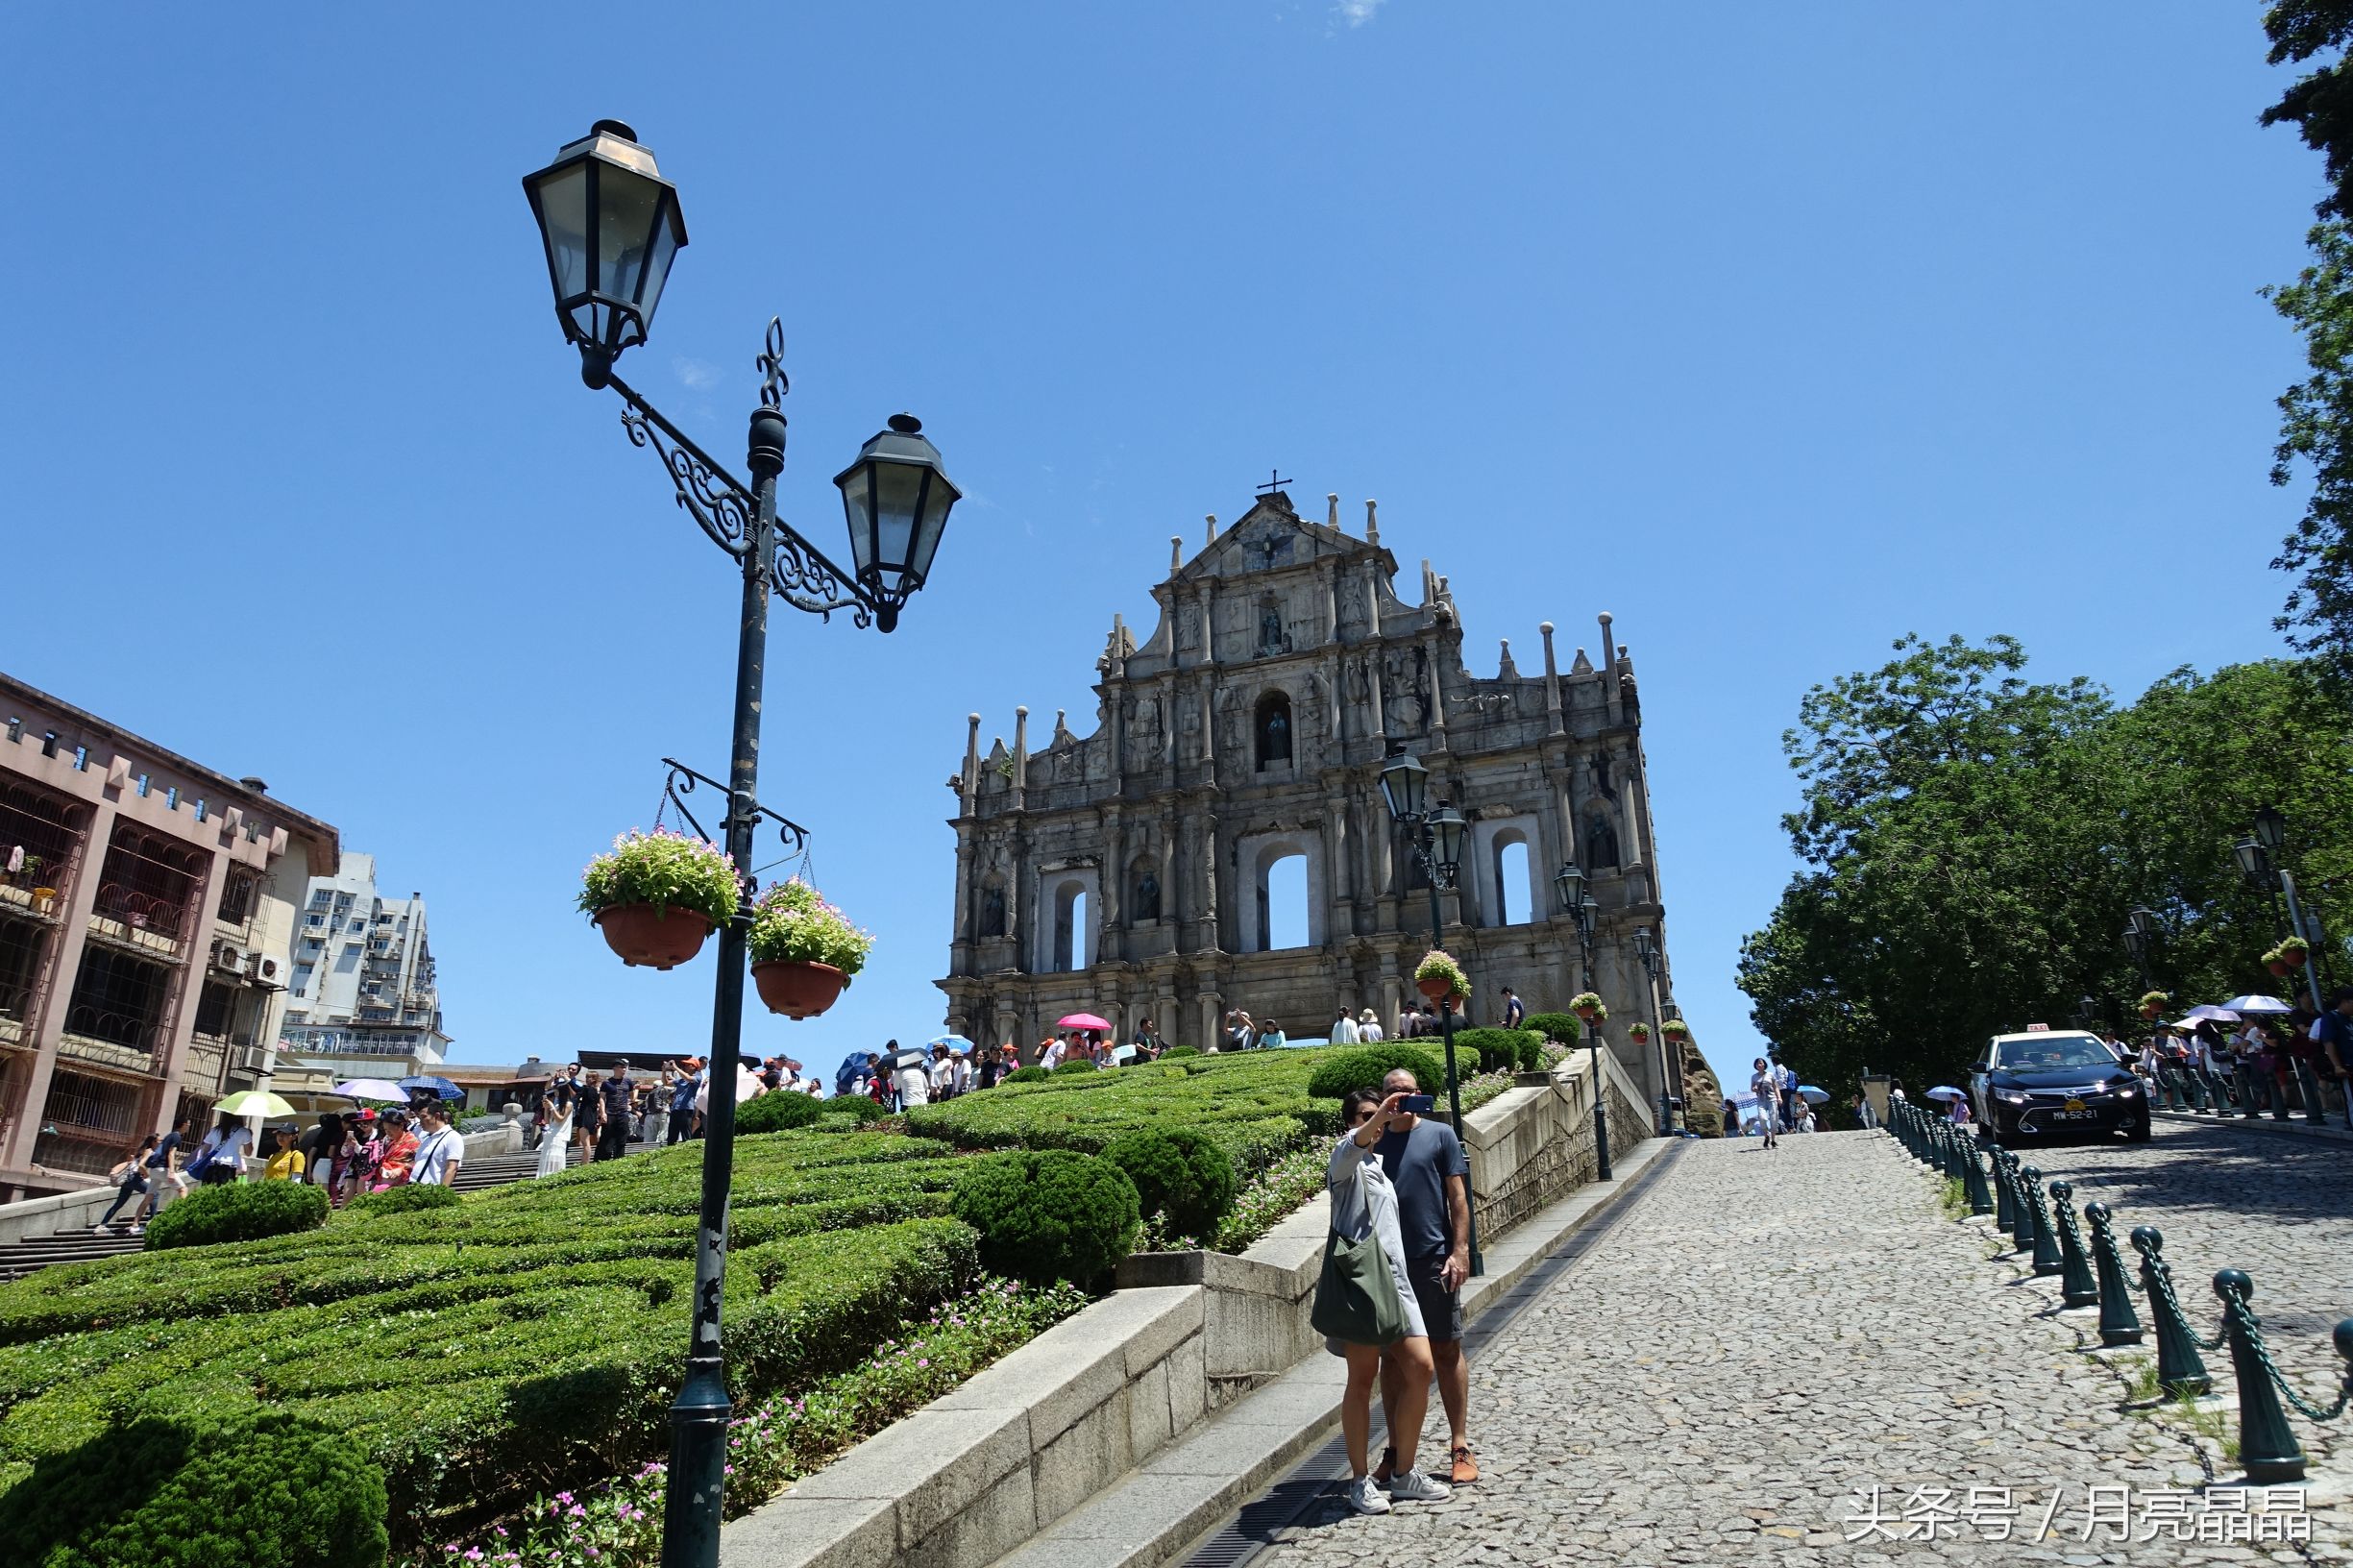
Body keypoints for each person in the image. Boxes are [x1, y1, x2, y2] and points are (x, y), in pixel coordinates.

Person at [1327, 1087, 1450, 1515]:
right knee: (1361, 1381)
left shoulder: (1378, 1165)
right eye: (1361, 1115)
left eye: (1373, 1114)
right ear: (1350, 1121)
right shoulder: (1344, 1158)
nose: (1371, 1122)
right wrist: (1378, 1116)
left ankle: (1403, 1472)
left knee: (1421, 1366)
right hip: (1363, 1283)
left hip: (1395, 1282)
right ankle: (1360, 1481)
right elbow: (1356, 1142)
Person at [1366, 1066, 1478, 1489]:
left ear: (1420, 1094)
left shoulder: (1440, 1135)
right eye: (1393, 1092)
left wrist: (1460, 1250)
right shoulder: (1371, 1141)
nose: (1401, 1098)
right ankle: (1395, 1451)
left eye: (1408, 1092)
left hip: (1433, 1258)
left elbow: (1457, 1196)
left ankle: (1460, 1445)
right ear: (1382, 1097)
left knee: (1447, 1349)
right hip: (1386, 1266)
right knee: (1391, 1359)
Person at [132, 1115, 189, 1227]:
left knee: (148, 1197)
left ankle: (135, 1224)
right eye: (188, 1124)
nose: (189, 1127)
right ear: (183, 1125)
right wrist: (172, 1172)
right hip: (164, 1168)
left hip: (154, 1170)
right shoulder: (177, 1136)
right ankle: (184, 1215)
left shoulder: (169, 1136)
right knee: (183, 1189)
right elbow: (171, 1154)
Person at [95, 1134, 159, 1230]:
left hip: (127, 1179)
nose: (160, 1143)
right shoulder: (148, 1151)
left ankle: (102, 1225)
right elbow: (141, 1166)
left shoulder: (141, 1150)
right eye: (159, 1141)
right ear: (153, 1142)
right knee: (155, 1194)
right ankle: (152, 1221)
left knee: (118, 1204)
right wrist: (146, 1174)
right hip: (135, 1177)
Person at [411, 1102, 466, 1187]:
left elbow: (452, 1169)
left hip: (430, 1189)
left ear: (436, 1116)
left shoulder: (452, 1136)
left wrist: (441, 1193)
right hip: (414, 1186)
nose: (420, 1122)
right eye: (419, 1117)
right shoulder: (427, 1137)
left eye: (423, 1117)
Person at [188, 1115, 252, 1186]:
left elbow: (205, 1149)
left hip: (211, 1165)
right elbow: (248, 1153)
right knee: (223, 1192)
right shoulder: (244, 1132)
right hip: (229, 1167)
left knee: (207, 1190)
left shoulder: (215, 1130)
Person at [536, 1068, 577, 1176]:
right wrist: (546, 1108)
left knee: (556, 1160)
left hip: (559, 1136)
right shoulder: (558, 1105)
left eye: (557, 1091)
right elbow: (548, 1122)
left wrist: (551, 1107)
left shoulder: (568, 1105)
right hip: (551, 1134)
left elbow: (560, 1119)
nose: (555, 1093)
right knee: (547, 1158)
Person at [597, 1062, 635, 1161]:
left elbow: (632, 1095)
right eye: (622, 1067)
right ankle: (603, 1160)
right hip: (610, 1113)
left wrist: (629, 1102)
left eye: (625, 1067)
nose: (624, 1070)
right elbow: (602, 1098)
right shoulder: (607, 1083)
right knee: (607, 1137)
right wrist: (603, 1113)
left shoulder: (628, 1082)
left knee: (622, 1137)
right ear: (615, 1068)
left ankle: (619, 1159)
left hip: (623, 1113)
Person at [376, 1110, 419, 1188]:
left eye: (390, 1128)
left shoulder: (412, 1141)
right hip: (386, 1179)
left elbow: (419, 1162)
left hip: (402, 1183)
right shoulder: (391, 1142)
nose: (388, 1132)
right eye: (385, 1130)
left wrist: (402, 1169)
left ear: (401, 1125)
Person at [891, 1042, 931, 1110]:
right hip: (922, 1102)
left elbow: (896, 1087)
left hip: (908, 1102)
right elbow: (926, 1086)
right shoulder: (919, 1070)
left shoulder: (899, 1072)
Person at [1750, 1059, 1778, 1149]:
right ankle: (1767, 1136)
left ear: (1764, 1064)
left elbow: (1775, 1087)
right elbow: (1752, 1088)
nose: (1759, 1065)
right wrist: (1754, 1089)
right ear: (1755, 1065)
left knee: (1773, 1119)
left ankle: (1773, 1140)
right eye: (1757, 1063)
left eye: (1761, 1063)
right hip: (1761, 1100)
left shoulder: (1770, 1075)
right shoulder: (1754, 1077)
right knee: (1762, 1118)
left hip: (1772, 1098)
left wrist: (1779, 1097)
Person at [645, 1067, 674, 1148]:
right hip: (663, 1114)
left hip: (649, 1115)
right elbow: (676, 1087)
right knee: (662, 1134)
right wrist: (672, 1078)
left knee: (649, 1137)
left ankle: (647, 1151)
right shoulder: (664, 1089)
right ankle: (660, 1150)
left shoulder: (649, 1094)